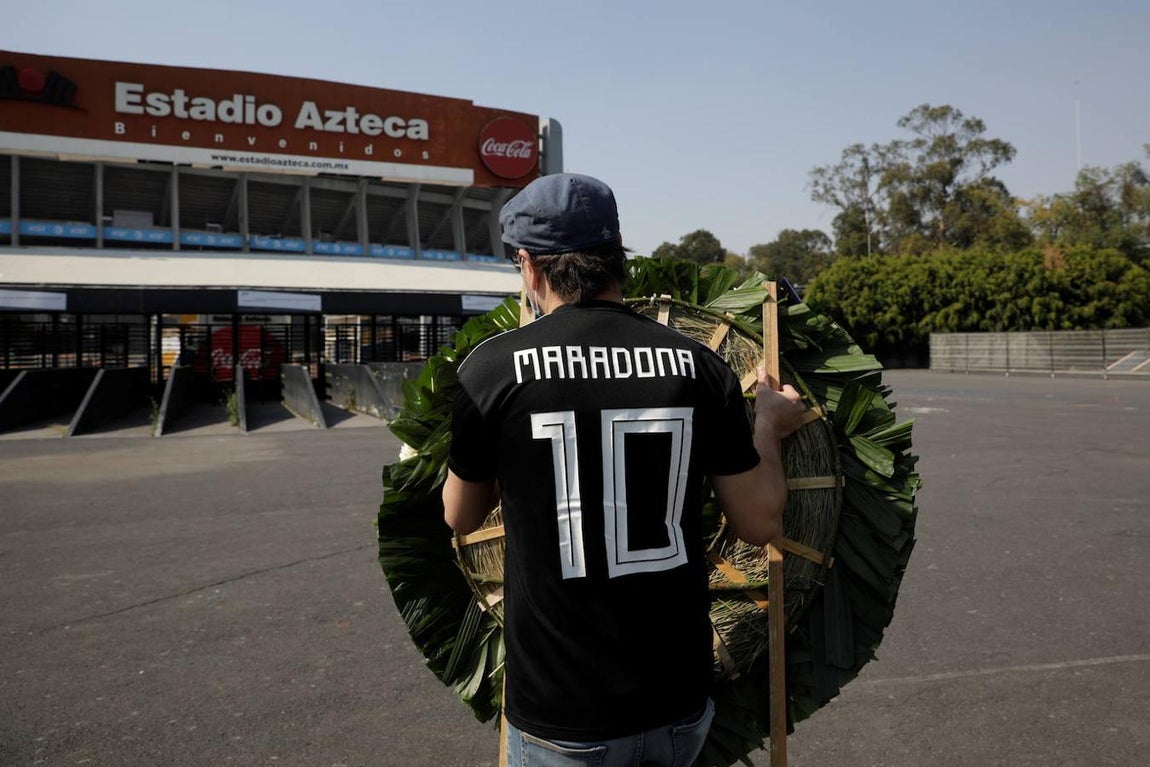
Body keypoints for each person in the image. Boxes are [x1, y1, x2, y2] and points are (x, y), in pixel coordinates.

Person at [443, 173, 806, 766]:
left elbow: (460, 515)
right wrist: (767, 423)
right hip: (672, 700)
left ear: (530, 266)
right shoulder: (698, 366)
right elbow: (760, 522)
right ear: (616, 259)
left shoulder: (492, 371)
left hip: (560, 710)